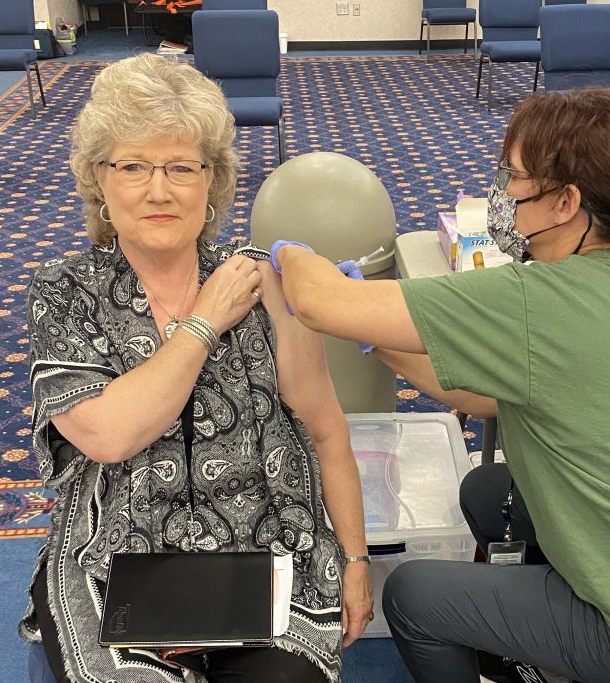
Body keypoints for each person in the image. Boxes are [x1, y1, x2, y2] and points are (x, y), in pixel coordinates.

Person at [271, 90, 610, 683]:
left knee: (415, 596)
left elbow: (320, 303)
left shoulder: (534, 301)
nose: (505, 193)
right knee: (487, 490)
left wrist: (289, 251)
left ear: (566, 202)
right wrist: (385, 347)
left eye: (517, 178)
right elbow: (489, 399)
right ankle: (531, 653)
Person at [19, 54, 371, 683]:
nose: (159, 190)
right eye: (132, 166)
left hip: (264, 548)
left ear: (213, 181)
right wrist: (204, 322)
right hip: (115, 561)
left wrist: (356, 558)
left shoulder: (263, 281)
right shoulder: (64, 292)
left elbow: (325, 430)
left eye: (182, 167)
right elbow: (109, 434)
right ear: (99, 180)